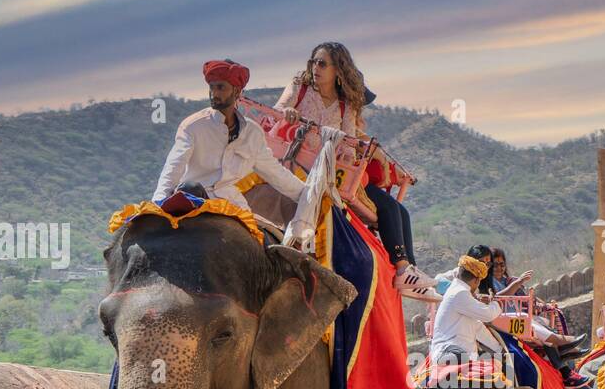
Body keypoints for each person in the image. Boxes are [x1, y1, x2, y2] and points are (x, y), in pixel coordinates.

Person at [277, 42, 436, 300]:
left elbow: (349, 143)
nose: (315, 67)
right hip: (297, 160)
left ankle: (408, 269)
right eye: (314, 62)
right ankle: (403, 268)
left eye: (322, 63)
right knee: (387, 207)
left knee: (400, 210)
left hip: (331, 168)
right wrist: (289, 113)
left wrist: (356, 154)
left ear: (338, 70)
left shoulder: (345, 106)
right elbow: (279, 110)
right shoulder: (300, 87)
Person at [154, 59, 306, 211]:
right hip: (194, 200)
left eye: (220, 87)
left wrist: (309, 196)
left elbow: (275, 173)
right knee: (190, 188)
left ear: (237, 91)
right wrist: (157, 206)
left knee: (264, 234)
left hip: (233, 206)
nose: (214, 94)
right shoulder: (193, 126)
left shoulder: (252, 133)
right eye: (211, 87)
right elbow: (173, 168)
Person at [429, 255, 515, 365]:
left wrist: (499, 349)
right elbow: (488, 315)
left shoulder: (458, 292)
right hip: (450, 353)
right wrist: (497, 303)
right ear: (476, 280)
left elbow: (477, 327)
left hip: (458, 354)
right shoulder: (460, 293)